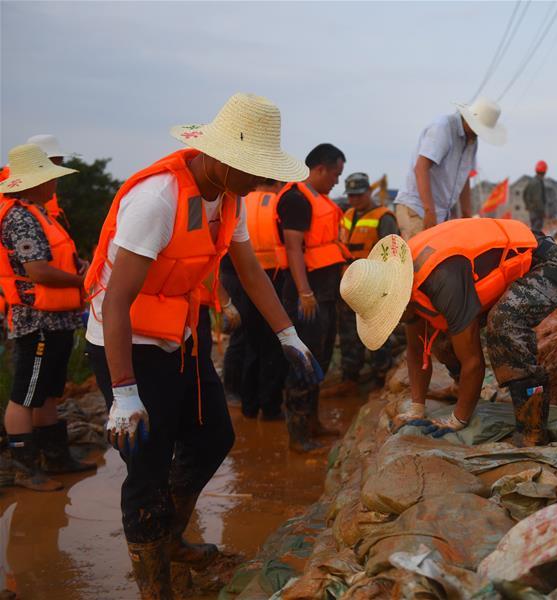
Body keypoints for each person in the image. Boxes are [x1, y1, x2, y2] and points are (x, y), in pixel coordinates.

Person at [83, 93, 322, 599]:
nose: (260, 183)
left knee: (214, 437)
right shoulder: (158, 199)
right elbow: (118, 300)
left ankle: (169, 537)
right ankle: (156, 586)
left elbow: (252, 273)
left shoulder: (228, 197)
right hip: (126, 341)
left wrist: (288, 335)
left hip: (182, 334)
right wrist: (124, 393)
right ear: (219, 156)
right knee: (146, 464)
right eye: (254, 171)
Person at [340, 219, 557, 447]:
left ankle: (532, 428)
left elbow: (473, 362)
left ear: (398, 299)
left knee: (504, 324)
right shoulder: (401, 277)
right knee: (441, 341)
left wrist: (457, 420)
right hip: (499, 270)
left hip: (548, 263)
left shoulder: (441, 278)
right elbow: (416, 350)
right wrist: (416, 409)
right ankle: (464, 390)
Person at [0, 143, 94, 492]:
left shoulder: (37, 212)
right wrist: (80, 280)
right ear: (33, 181)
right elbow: (38, 271)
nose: (54, 183)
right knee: (25, 393)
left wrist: (77, 270)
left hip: (56, 320)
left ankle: (55, 457)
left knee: (48, 391)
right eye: (49, 176)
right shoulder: (21, 217)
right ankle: (25, 468)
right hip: (35, 321)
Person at [279, 143, 348, 452]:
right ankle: (298, 436)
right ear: (319, 168)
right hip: (306, 295)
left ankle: (313, 422)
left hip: (326, 293)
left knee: (319, 358)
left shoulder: (322, 200)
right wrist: (304, 292)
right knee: (303, 362)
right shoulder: (296, 199)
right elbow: (294, 248)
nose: (337, 181)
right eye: (335, 174)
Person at [225, 178, 293, 419]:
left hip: (239, 277)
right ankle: (271, 408)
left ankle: (248, 406)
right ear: (276, 183)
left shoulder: (239, 201)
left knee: (250, 345)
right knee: (273, 347)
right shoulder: (277, 203)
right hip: (271, 279)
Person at [393, 97, 505, 238]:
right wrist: (429, 211)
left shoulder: (471, 141)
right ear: (470, 121)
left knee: (437, 258)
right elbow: (421, 168)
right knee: (419, 258)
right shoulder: (443, 128)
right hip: (417, 209)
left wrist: (466, 218)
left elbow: (464, 179)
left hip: (438, 214)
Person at [337, 172, 399, 387]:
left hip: (373, 285)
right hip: (349, 283)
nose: (354, 199)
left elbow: (392, 254)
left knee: (377, 333)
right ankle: (350, 378)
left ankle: (380, 377)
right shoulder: (347, 214)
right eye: (351, 195)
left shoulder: (385, 217)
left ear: (369, 192)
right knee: (348, 333)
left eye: (359, 195)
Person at [523, 160, 549, 231]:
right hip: (537, 212)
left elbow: (524, 194)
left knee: (534, 230)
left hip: (532, 211)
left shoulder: (531, 182)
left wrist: (528, 206)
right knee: (536, 232)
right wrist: (542, 212)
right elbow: (538, 199)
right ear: (545, 171)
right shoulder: (538, 182)